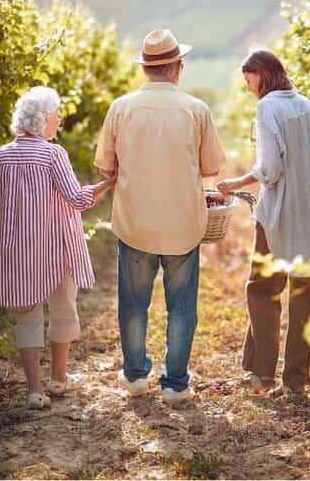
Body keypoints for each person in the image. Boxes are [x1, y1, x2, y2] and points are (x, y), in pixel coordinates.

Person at [95, 28, 227, 405]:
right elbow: (211, 168)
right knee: (182, 308)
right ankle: (175, 385)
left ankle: (136, 376)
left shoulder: (120, 108)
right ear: (177, 68)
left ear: (145, 69)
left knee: (133, 304)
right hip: (182, 225)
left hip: (135, 224)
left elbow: (106, 168)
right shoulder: (196, 110)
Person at [0, 86, 115, 409]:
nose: (58, 120)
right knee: (63, 310)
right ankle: (59, 379)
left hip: (16, 250)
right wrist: (106, 185)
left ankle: (34, 390)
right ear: (44, 119)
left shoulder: (0, 157)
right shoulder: (53, 154)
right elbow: (76, 199)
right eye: (55, 114)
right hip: (56, 246)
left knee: (27, 319)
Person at [217, 50, 310, 397]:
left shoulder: (268, 107)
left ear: (262, 75)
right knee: (304, 294)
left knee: (263, 289)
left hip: (279, 214)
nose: (248, 88)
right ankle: (295, 381)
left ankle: (262, 375)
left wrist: (235, 184)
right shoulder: (309, 106)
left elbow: (270, 170)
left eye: (249, 79)